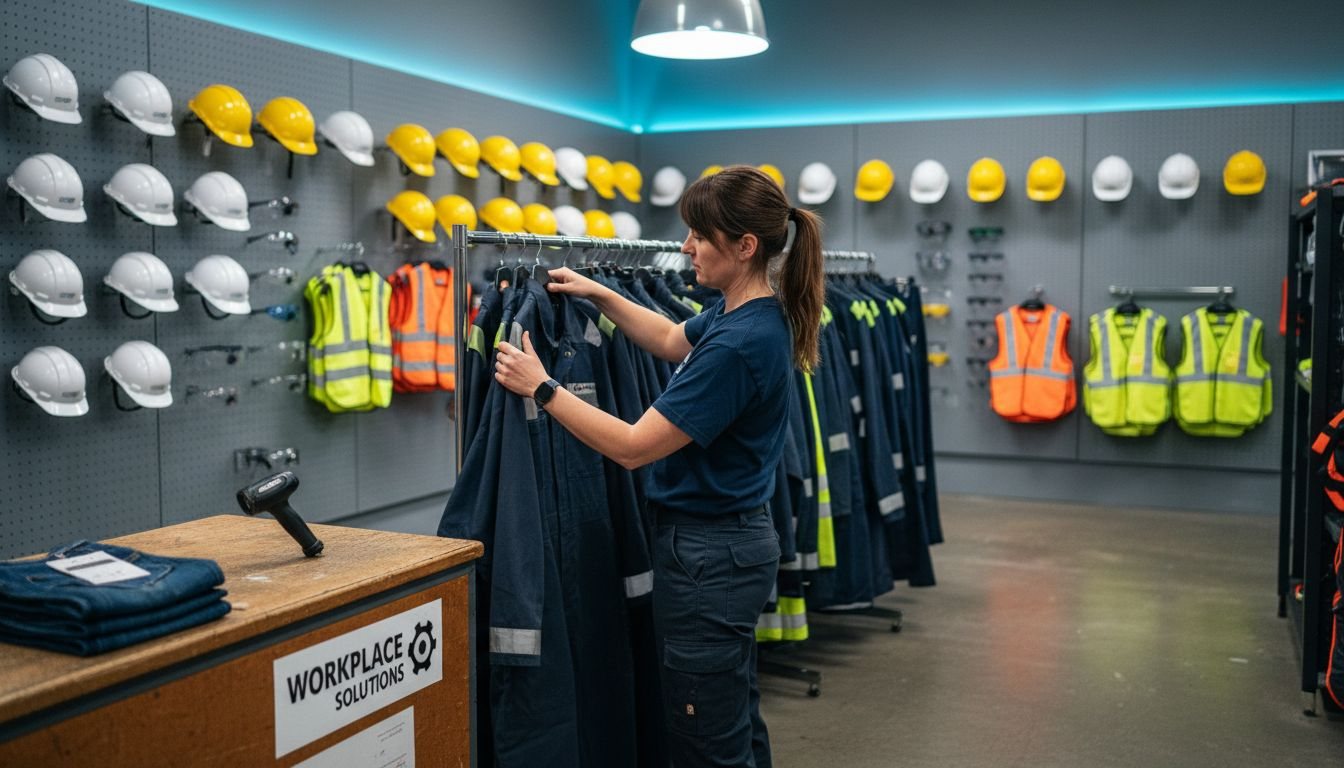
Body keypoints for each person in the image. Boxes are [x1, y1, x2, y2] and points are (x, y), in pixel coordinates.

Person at [493, 165, 825, 767]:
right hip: (724, 549)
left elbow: (633, 446)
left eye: (700, 235)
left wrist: (541, 387)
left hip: (709, 560)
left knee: (705, 739)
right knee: (730, 717)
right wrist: (599, 293)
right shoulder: (744, 314)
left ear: (745, 246)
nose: (686, 247)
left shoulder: (738, 344)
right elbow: (672, 339)